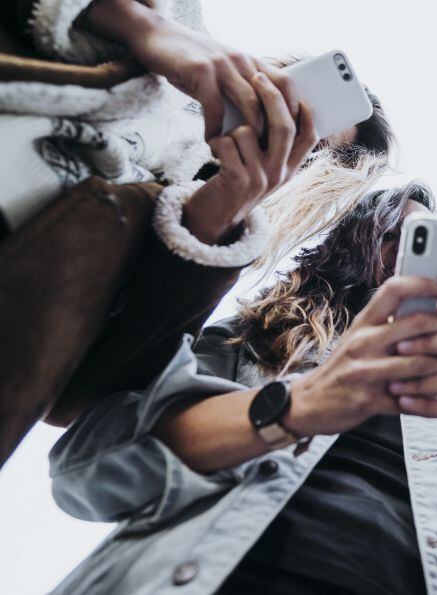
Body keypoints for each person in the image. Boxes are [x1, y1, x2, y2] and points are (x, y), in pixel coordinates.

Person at [48, 183, 437, 595]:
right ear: (355, 245)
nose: (408, 255)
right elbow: (87, 468)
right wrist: (299, 404)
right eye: (393, 234)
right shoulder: (257, 335)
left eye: (424, 241)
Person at [0, 0, 394, 467]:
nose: (287, 134)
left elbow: (80, 399)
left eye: (311, 148)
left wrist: (211, 221)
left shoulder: (210, 241)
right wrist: (141, 27)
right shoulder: (173, 22)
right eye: (292, 105)